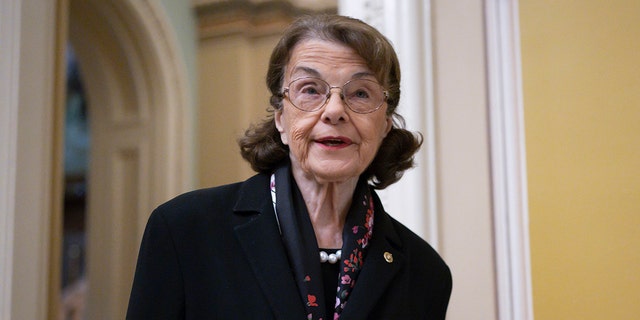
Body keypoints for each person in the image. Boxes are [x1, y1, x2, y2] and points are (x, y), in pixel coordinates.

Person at [126, 14, 452, 320]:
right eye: (310, 90)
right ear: (281, 119)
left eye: (361, 93)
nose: (335, 110)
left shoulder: (424, 271)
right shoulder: (183, 231)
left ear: (385, 125)